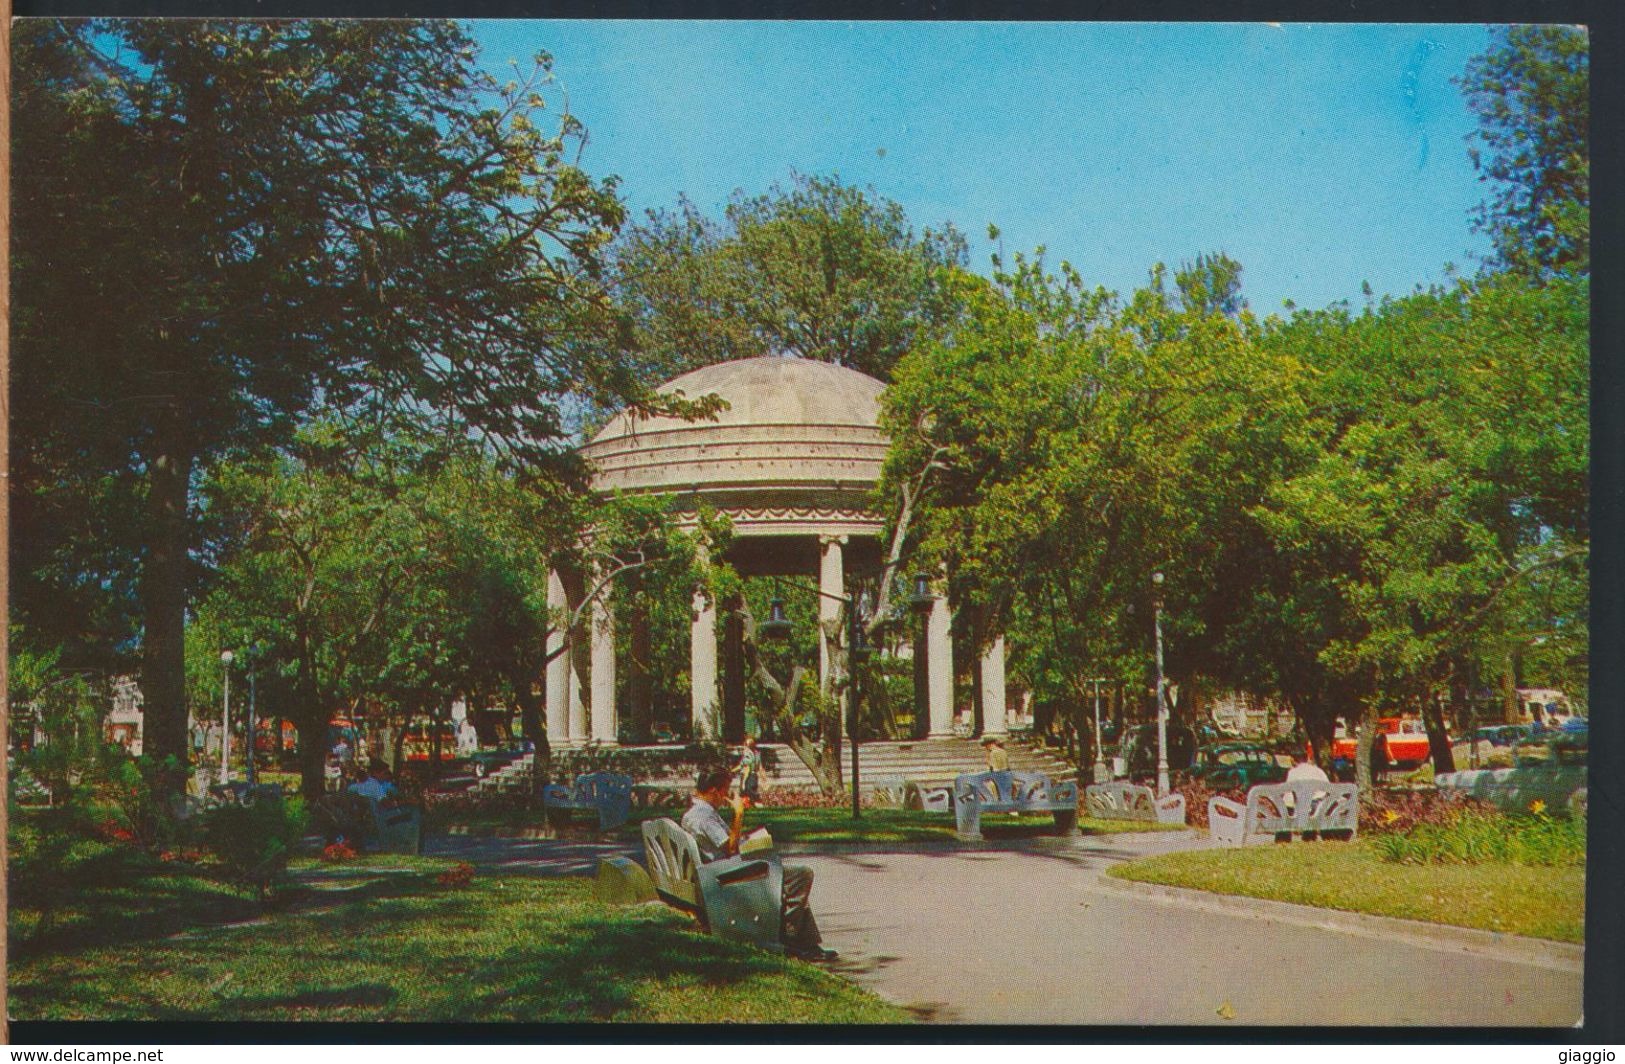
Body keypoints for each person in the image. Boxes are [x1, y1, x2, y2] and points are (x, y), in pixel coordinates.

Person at [680, 766, 834, 962]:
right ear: (714, 791)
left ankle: (809, 945)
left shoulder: (694, 813)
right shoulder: (705, 816)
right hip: (727, 875)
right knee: (801, 875)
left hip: (718, 872)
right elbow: (731, 848)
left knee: (789, 875)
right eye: (726, 791)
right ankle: (791, 937)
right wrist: (739, 814)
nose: (727, 796)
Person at [733, 735, 762, 803]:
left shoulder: (749, 754)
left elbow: (743, 765)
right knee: (745, 792)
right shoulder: (756, 754)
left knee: (748, 790)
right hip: (752, 775)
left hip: (749, 776)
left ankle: (757, 802)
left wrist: (732, 770)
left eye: (746, 745)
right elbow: (758, 766)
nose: (745, 746)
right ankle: (750, 805)